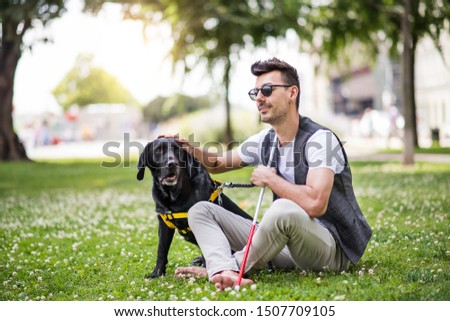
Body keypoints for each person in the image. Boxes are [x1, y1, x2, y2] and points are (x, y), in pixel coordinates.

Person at [165, 58, 372, 291]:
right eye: (256, 92)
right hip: (287, 244)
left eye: (267, 90)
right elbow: (217, 163)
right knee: (200, 211)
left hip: (331, 251)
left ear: (292, 93)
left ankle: (227, 268)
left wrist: (271, 179)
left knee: (282, 209)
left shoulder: (320, 140)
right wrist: (189, 149)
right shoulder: (266, 139)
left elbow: (316, 204)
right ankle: (223, 270)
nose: (259, 98)